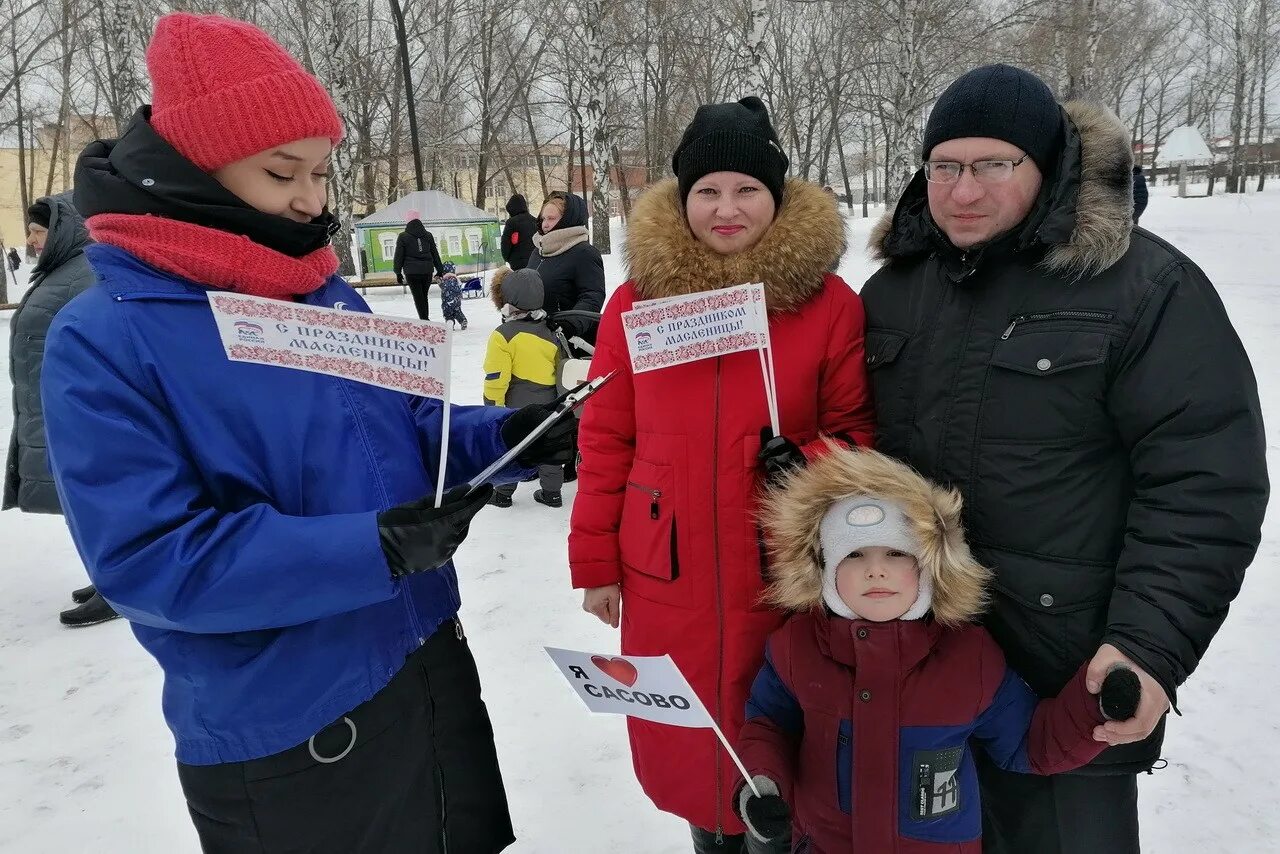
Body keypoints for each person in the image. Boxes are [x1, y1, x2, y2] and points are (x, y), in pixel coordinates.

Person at [41, 13, 574, 852]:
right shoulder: (105, 335)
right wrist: (374, 550)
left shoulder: (321, 291)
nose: (311, 200)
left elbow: (408, 430)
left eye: (321, 172)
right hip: (291, 726)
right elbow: (150, 563)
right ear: (194, 167)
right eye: (282, 172)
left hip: (424, 663)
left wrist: (510, 435)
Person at [862, 63, 1268, 853]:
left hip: (1066, 683)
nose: (963, 192)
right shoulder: (895, 291)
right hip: (924, 670)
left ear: (1047, 168)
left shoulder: (1145, 289)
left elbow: (1203, 487)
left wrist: (1148, 647)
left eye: (993, 165)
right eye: (945, 167)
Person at [570, 96, 877, 853]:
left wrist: (806, 463)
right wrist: (596, 561)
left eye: (747, 189)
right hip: (665, 569)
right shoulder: (636, 304)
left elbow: (859, 433)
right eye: (708, 190)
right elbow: (608, 436)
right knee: (696, 752)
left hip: (781, 572)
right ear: (682, 200)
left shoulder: (828, 305)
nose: (727, 208)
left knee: (782, 744)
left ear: (776, 196)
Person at [735, 444, 1119, 851]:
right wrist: (762, 781)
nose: (875, 569)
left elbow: (1030, 740)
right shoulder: (797, 647)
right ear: (825, 569)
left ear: (929, 565)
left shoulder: (968, 658)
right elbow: (769, 725)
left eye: (897, 553)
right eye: (854, 555)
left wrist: (1098, 705)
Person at [5, 195, 119, 628]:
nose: (32, 240)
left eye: (38, 231)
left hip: (72, 405)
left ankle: (116, 583)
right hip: (48, 401)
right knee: (76, 498)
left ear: (64, 229)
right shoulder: (61, 271)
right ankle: (105, 576)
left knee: (95, 499)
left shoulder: (83, 272)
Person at [483, 267, 564, 509]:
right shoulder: (551, 332)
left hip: (515, 405)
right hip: (549, 401)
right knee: (549, 446)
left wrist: (492, 407)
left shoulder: (503, 335)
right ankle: (552, 493)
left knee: (511, 448)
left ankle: (503, 493)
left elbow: (496, 377)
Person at [528, 190, 604, 340]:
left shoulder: (584, 253)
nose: (545, 224)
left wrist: (571, 324)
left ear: (567, 219)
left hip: (570, 341)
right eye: (543, 218)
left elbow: (592, 296)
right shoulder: (538, 251)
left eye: (551, 218)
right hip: (535, 336)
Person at [394, 217, 445, 320]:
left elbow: (399, 256)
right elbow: (434, 253)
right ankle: (425, 318)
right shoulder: (428, 235)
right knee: (423, 296)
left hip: (411, 272)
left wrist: (398, 272)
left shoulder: (403, 236)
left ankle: (424, 320)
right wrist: (440, 269)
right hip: (427, 271)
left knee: (418, 297)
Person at [500, 193, 538, 270]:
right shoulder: (535, 220)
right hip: (535, 261)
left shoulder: (511, 222)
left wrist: (507, 258)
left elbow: (505, 243)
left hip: (518, 263)